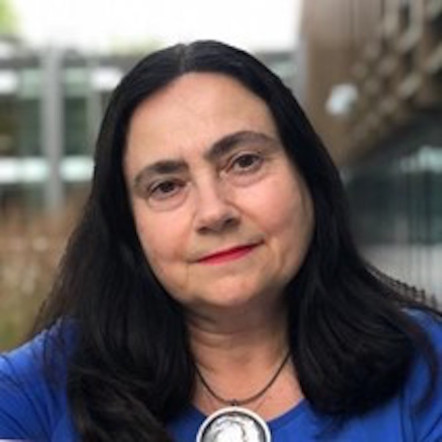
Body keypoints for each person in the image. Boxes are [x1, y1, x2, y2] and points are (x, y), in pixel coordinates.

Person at [0, 40, 441, 442]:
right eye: (166, 186)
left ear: (307, 175)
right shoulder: (35, 390)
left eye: (244, 162)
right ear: (128, 225)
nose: (214, 212)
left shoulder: (427, 366)